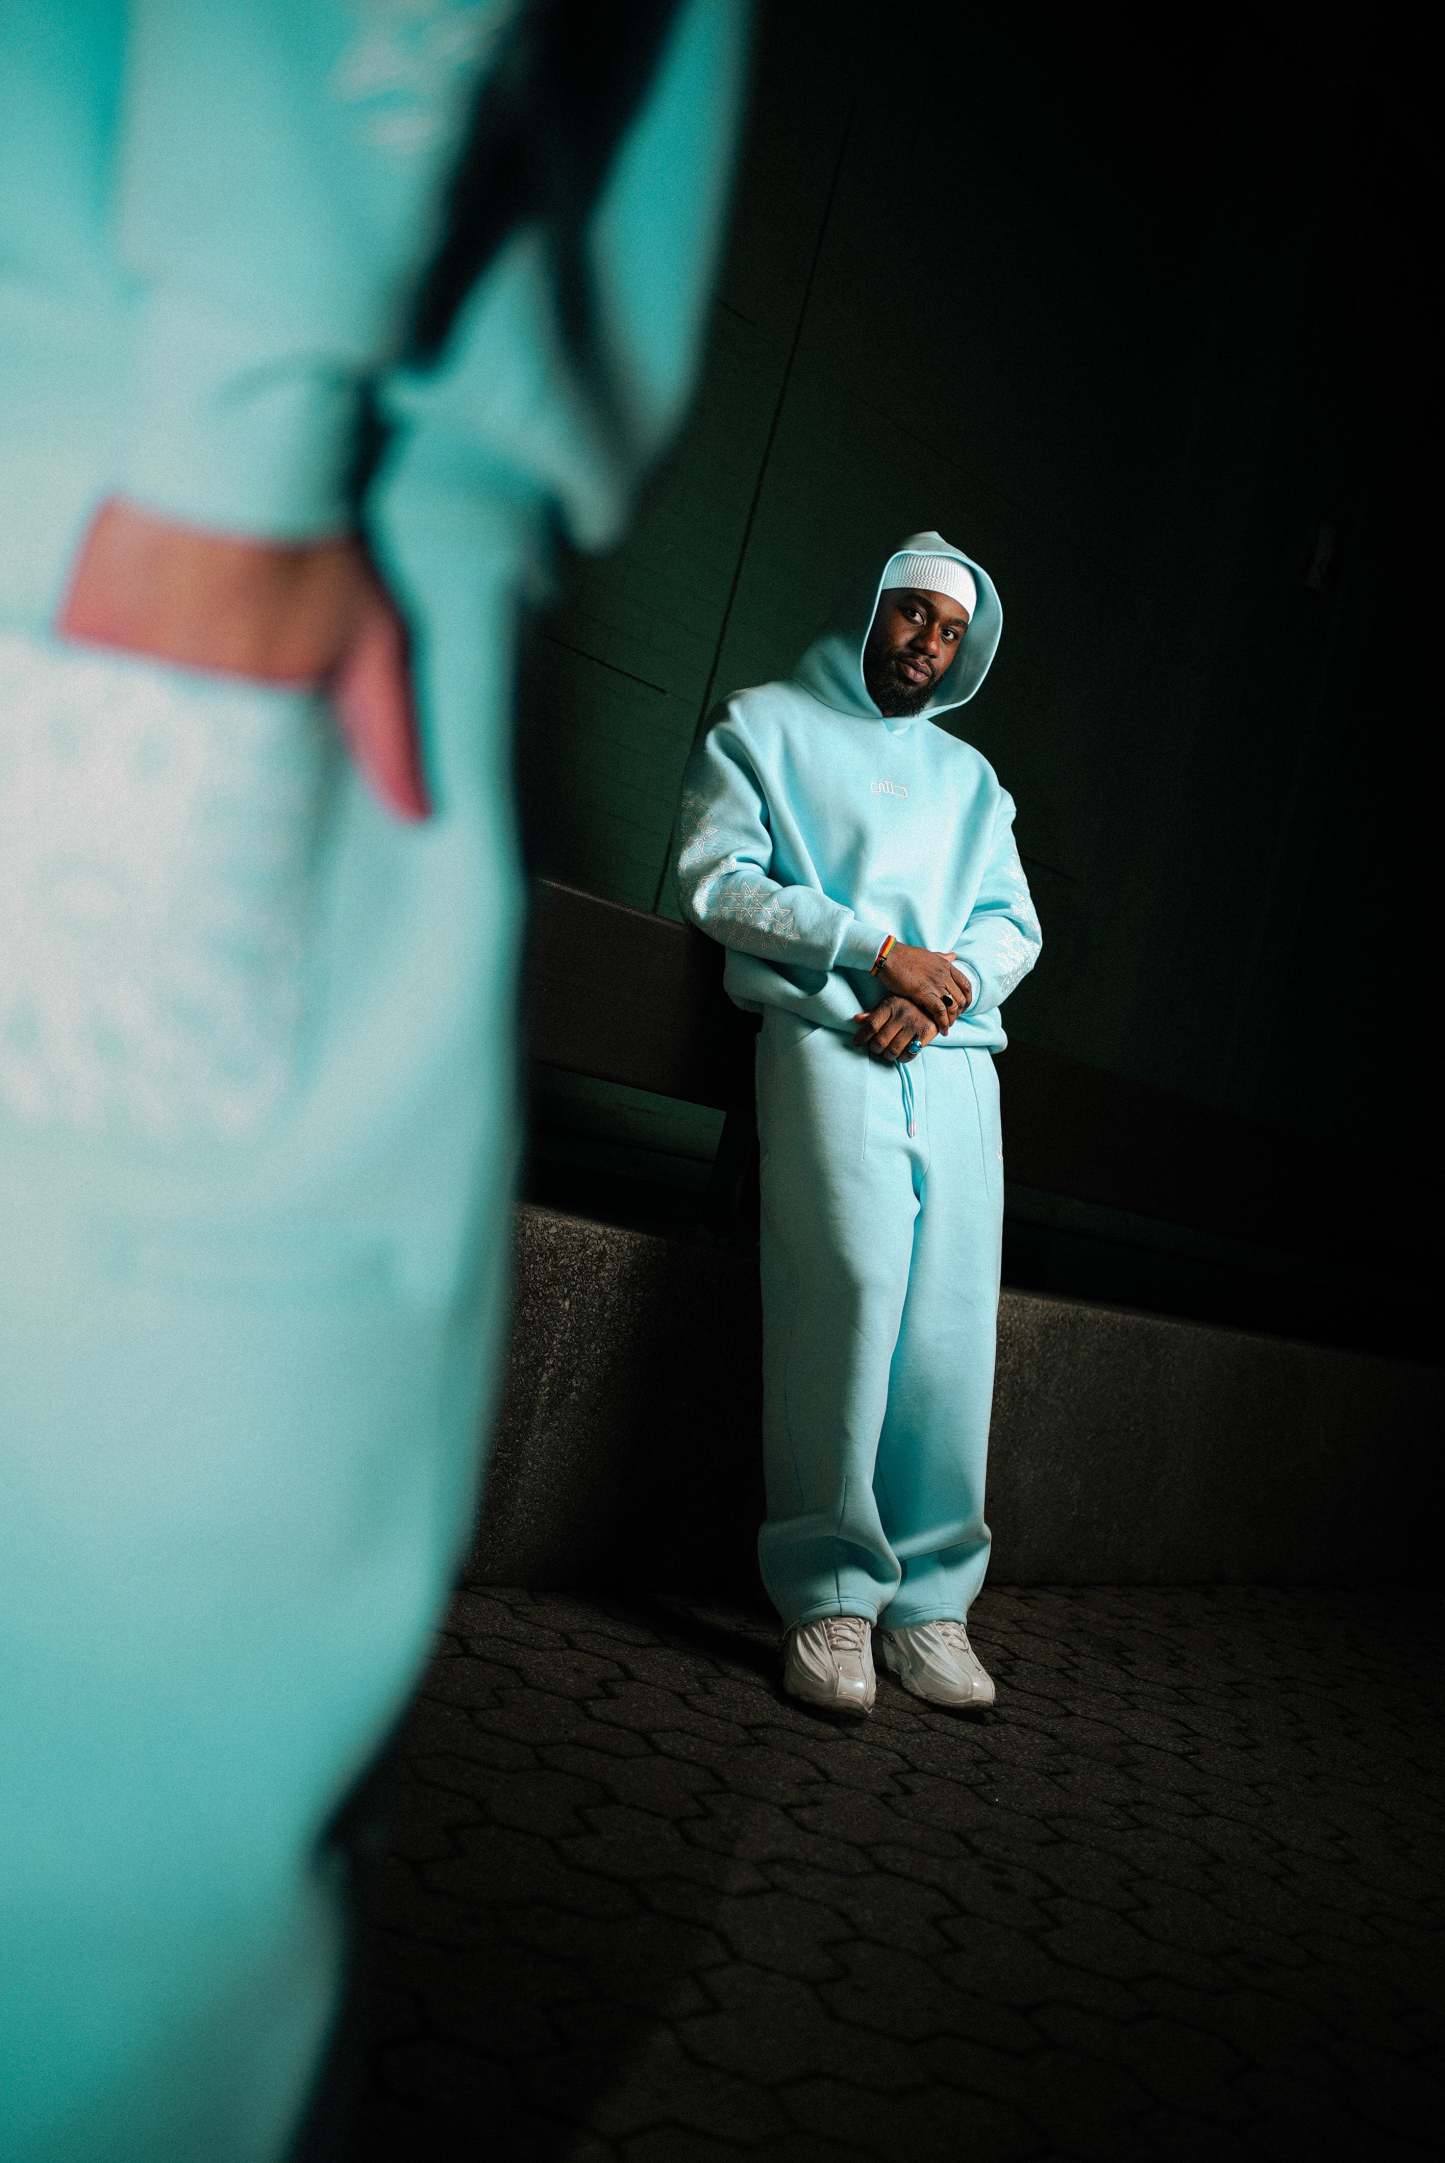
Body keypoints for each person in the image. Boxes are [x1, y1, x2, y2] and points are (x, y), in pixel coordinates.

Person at [0, 5, 745, 2159]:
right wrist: (243, 437)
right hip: (182, 508)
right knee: (120, 1776)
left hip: (146, 463)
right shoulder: (228, 433)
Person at [675, 532, 1041, 1720]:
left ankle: (929, 1604)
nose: (927, 644)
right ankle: (829, 1592)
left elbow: (1009, 925)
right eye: (911, 614)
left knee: (947, 1327)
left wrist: (940, 996)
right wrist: (876, 954)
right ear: (867, 603)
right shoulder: (761, 723)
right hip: (826, 1036)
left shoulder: (971, 781)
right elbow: (716, 879)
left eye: (950, 631)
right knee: (846, 1290)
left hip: (949, 1057)